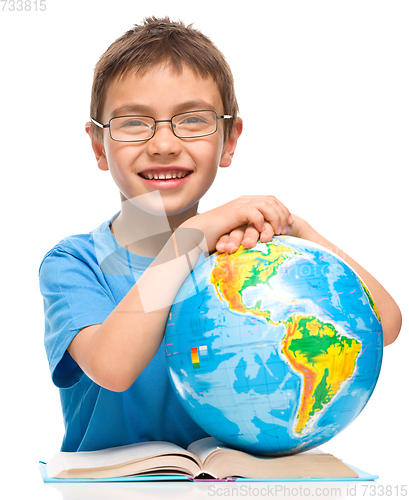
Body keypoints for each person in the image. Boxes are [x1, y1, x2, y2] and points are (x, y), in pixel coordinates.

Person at [39, 17, 402, 453]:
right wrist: (187, 240)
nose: (164, 144)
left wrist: (298, 231)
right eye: (134, 123)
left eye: (192, 120)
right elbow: (112, 368)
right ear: (99, 146)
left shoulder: (246, 254)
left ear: (229, 141)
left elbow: (385, 323)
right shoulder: (73, 262)